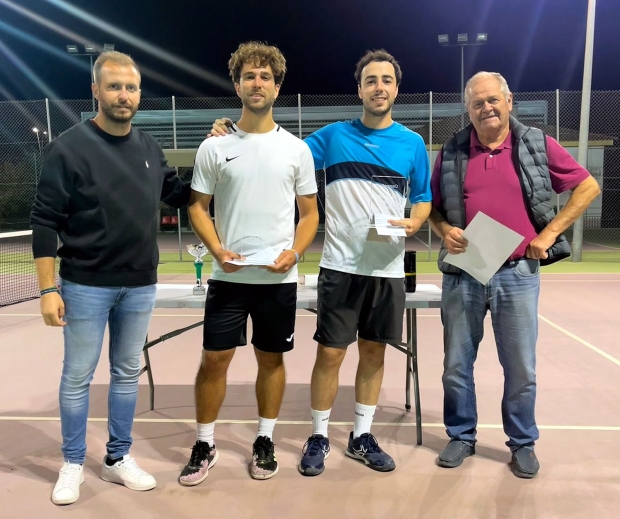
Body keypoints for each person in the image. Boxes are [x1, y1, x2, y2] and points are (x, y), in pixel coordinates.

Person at [210, 48, 431, 476]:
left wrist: (412, 222)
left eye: (386, 80)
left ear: (396, 89)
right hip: (339, 268)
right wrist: (230, 132)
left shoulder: (412, 144)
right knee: (330, 355)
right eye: (371, 80)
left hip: (386, 269)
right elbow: (276, 152)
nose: (378, 87)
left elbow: (422, 197)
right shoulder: (330, 137)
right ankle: (319, 434)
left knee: (374, 354)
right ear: (360, 89)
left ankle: (361, 436)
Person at [31, 51, 191, 505]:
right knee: (77, 377)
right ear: (96, 91)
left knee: (125, 374)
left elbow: (179, 194)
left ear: (140, 94)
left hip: (140, 284)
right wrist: (47, 289)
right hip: (83, 285)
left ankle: (117, 458)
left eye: (132, 88)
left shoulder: (148, 147)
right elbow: (44, 220)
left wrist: (217, 153)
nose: (124, 95)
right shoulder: (68, 147)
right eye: (115, 86)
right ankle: (73, 463)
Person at [428, 71, 600, 478]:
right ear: (467, 109)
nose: (485, 108)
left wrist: (550, 233)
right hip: (465, 272)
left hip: (518, 271)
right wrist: (444, 230)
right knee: (456, 363)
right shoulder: (452, 150)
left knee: (521, 366)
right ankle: (461, 436)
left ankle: (522, 442)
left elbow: (587, 186)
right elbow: (431, 206)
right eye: (476, 103)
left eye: (492, 100)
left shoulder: (536, 143)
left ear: (508, 101)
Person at [178, 41, 318, 485]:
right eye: (249, 75)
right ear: (236, 84)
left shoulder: (297, 150)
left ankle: (265, 439)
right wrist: (218, 250)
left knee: (271, 361)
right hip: (228, 276)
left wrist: (294, 253)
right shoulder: (214, 147)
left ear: (277, 87)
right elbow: (197, 207)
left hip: (278, 279)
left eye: (265, 76)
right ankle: (205, 442)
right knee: (213, 360)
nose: (257, 83)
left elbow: (311, 214)